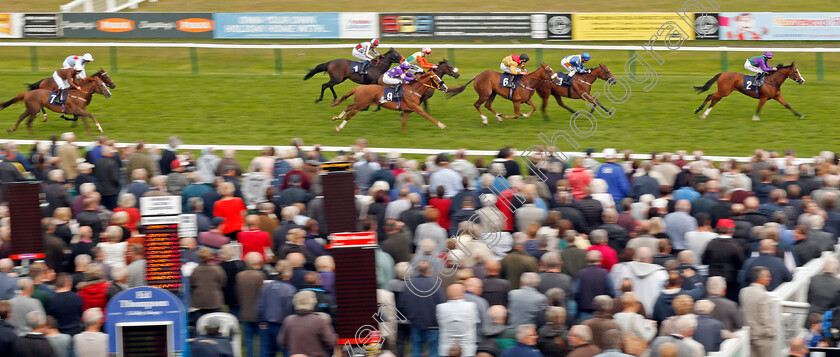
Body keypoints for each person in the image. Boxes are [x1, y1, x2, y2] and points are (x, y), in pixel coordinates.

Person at [278, 290, 338, 357]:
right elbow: (331, 342)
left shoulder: (288, 320)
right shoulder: (319, 320)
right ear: (313, 302)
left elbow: (282, 342)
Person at [740, 266, 775, 357]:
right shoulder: (762, 294)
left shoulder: (743, 291)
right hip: (762, 337)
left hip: (749, 335)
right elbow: (765, 317)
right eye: (767, 276)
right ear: (759, 278)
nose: (770, 279)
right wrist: (770, 332)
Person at [437, 283, 480, 357]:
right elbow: (476, 321)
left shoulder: (440, 308)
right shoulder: (471, 306)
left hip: (446, 350)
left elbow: (439, 322)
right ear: (462, 293)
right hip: (468, 350)